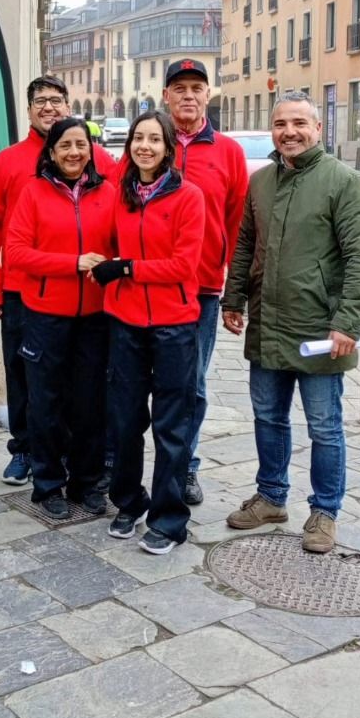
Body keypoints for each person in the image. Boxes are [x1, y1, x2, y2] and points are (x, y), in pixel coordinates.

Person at [220, 91, 360, 553]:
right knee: (268, 418)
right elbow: (246, 246)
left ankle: (325, 511)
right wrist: (233, 300)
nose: (288, 132)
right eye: (279, 124)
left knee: (324, 426)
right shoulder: (262, 182)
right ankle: (271, 497)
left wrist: (348, 322)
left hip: (320, 331)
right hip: (269, 324)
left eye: (298, 123)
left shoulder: (344, 182)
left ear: (317, 128)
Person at [0, 77, 116, 485]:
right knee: (22, 374)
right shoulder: (7, 162)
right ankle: (24, 449)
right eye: (41, 101)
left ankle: (74, 453)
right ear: (29, 109)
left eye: (57, 100)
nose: (50, 108)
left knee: (80, 379)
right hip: (21, 290)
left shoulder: (97, 158)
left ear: (69, 105)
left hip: (84, 295)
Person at [94, 110, 206, 555]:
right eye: (138, 138)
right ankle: (129, 501)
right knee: (124, 421)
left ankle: (169, 519)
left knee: (171, 427)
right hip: (124, 322)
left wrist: (124, 268)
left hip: (174, 325)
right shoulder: (120, 195)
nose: (144, 146)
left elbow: (183, 265)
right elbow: (104, 244)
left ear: (167, 148)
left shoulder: (188, 197)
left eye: (154, 139)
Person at [4, 118, 115, 518]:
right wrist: (72, 263)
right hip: (46, 315)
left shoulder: (109, 193)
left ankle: (86, 484)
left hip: (96, 317)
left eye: (80, 145)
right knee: (45, 404)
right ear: (51, 152)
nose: (73, 153)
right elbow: (16, 253)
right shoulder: (32, 193)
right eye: (65, 145)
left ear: (91, 150)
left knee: (90, 405)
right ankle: (48, 484)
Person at [161, 59, 248, 506]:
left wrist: (235, 293)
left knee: (191, 384)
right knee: (138, 383)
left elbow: (237, 228)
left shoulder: (229, 153)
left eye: (197, 87)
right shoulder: (151, 143)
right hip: (149, 288)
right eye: (180, 88)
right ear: (166, 97)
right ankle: (133, 464)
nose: (188, 95)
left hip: (202, 290)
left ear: (209, 95)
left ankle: (185, 466)